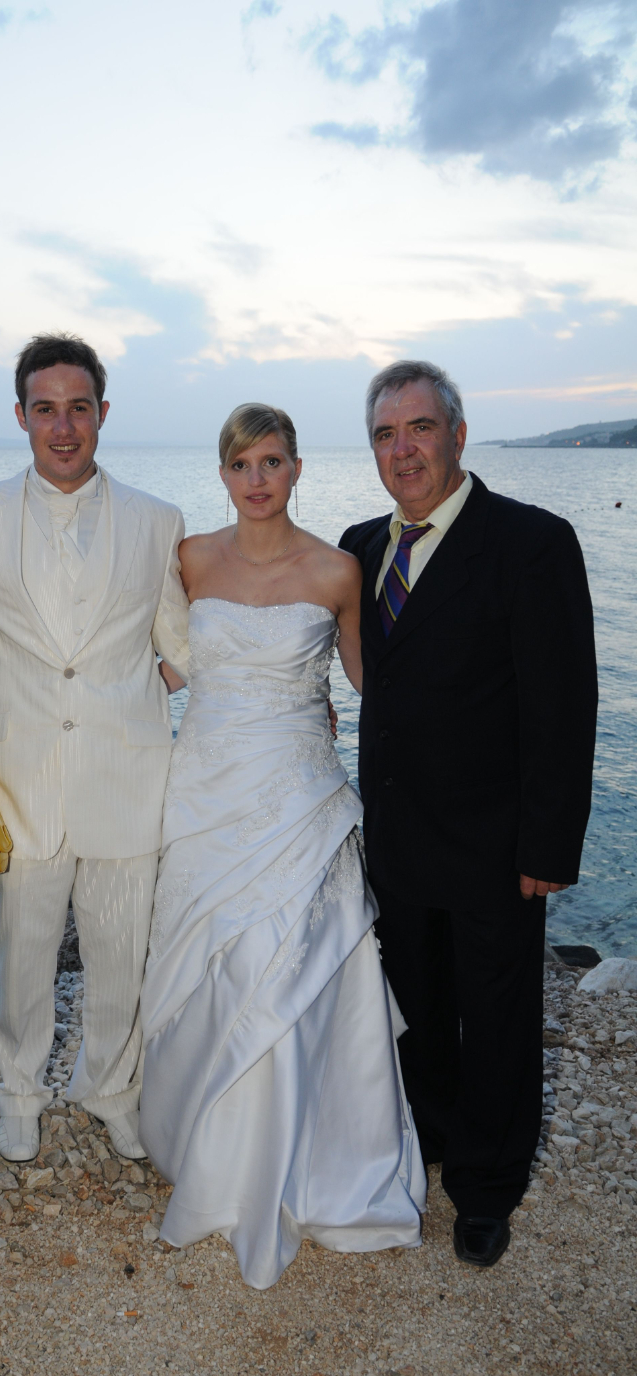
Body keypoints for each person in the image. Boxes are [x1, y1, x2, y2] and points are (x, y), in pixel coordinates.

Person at [138, 403, 425, 1291]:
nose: (256, 480)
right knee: (212, 963)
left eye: (271, 462)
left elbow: (376, 683)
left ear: (297, 468)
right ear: (222, 474)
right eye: (240, 464)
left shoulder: (338, 569)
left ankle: (305, 1156)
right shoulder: (189, 559)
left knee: (290, 962)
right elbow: (165, 666)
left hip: (300, 795)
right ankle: (210, 1145)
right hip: (206, 794)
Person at [339, 360, 598, 1268]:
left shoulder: (531, 542)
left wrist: (547, 848)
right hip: (397, 836)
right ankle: (435, 1138)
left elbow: (563, 707)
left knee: (497, 1017)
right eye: (385, 434)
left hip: (494, 844)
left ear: (456, 433)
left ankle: (489, 1186)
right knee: (415, 1004)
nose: (403, 449)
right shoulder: (359, 546)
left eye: (420, 428)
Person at [0, 333, 190, 1164]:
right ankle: (19, 1090)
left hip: (126, 774)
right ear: (21, 416)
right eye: (46, 409)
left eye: (79, 408)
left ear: (103, 413)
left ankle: (110, 1087)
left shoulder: (158, 521)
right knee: (21, 957)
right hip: (17, 778)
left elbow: (182, 649)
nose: (64, 426)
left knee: (122, 955)